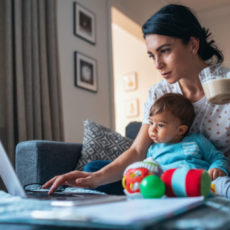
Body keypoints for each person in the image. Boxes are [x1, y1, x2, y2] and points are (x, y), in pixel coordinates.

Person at [43, 4, 230, 196]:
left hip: (215, 178)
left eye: (165, 51)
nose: (157, 64)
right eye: (152, 55)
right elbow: (138, 152)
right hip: (166, 176)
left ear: (193, 44)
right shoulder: (159, 92)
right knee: (92, 169)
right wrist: (93, 179)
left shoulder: (227, 83)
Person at [146, 93, 228, 183]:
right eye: (151, 123)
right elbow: (148, 170)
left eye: (160, 125)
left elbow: (218, 158)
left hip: (203, 183)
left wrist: (217, 168)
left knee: (223, 183)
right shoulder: (152, 150)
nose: (152, 129)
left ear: (181, 130)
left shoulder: (197, 140)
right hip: (172, 186)